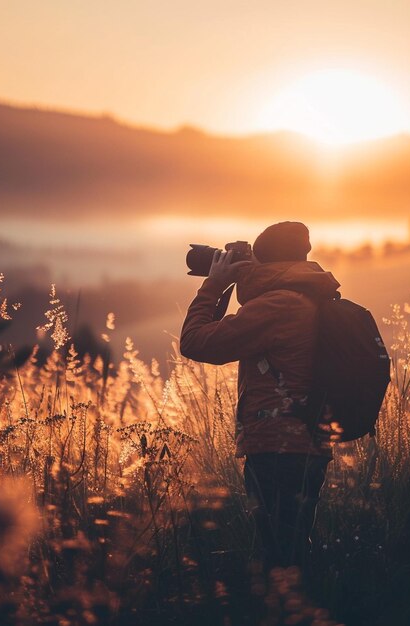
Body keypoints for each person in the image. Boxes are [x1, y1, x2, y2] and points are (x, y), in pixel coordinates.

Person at [179, 221, 340, 570]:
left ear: (265, 264)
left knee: (279, 558)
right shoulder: (306, 295)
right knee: (292, 549)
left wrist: (215, 284)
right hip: (304, 441)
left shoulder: (278, 306)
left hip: (278, 445)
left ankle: (286, 612)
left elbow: (194, 342)